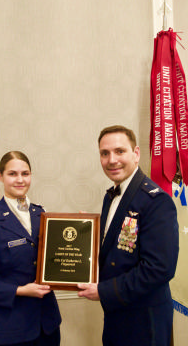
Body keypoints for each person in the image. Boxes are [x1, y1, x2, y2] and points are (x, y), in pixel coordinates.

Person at [77, 125, 179, 346]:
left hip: (144, 320)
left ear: (136, 153)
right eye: (105, 153)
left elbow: (159, 268)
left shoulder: (156, 201)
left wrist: (104, 291)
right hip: (118, 315)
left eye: (120, 151)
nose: (112, 160)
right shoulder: (112, 196)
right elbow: (121, 246)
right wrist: (92, 232)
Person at [0, 151, 61, 346]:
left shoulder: (42, 215)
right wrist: (19, 290)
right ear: (0, 176)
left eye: (25, 173)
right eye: (12, 174)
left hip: (47, 325)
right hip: (10, 330)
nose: (20, 180)